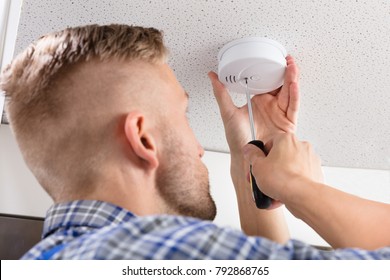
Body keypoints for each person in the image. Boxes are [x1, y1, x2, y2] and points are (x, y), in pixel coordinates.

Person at [0, 24, 388, 259]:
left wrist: (251, 160)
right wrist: (301, 189)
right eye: (183, 116)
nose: (201, 147)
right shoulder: (157, 251)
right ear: (143, 138)